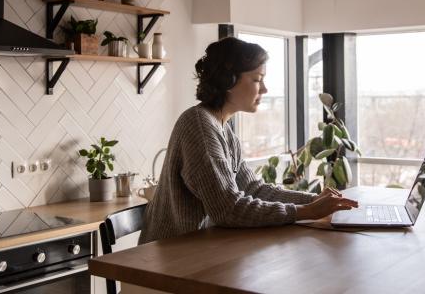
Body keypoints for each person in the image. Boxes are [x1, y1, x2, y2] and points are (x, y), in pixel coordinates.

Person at [139, 37, 358, 244]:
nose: (264, 89)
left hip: (200, 249)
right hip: (166, 261)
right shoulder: (200, 126)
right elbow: (228, 209)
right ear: (228, 80)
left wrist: (313, 200)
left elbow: (253, 189)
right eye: (257, 79)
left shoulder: (222, 129)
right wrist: (305, 211)